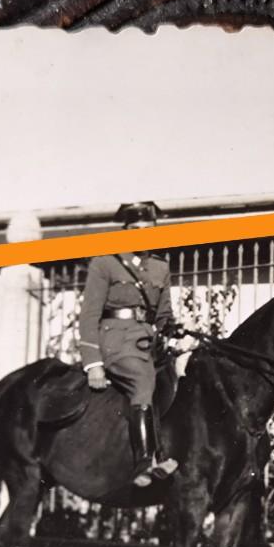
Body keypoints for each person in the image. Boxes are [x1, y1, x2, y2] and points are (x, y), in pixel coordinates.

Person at [78, 201, 178, 487]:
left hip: (147, 343)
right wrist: (93, 364)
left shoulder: (160, 267)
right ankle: (144, 462)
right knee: (142, 379)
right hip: (115, 343)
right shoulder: (105, 262)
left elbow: (163, 315)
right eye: (135, 229)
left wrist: (176, 330)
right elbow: (89, 315)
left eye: (148, 229)